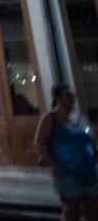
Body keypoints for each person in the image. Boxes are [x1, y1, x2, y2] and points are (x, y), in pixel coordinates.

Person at [35, 84, 98, 221]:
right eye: (67, 95)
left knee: (93, 212)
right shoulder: (50, 118)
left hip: (89, 171)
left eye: (72, 95)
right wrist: (54, 166)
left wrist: (95, 156)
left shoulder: (79, 118)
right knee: (71, 211)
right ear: (57, 98)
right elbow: (39, 142)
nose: (71, 98)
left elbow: (91, 139)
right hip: (68, 173)